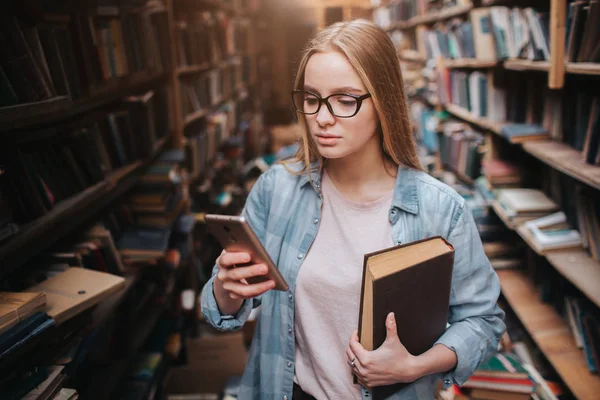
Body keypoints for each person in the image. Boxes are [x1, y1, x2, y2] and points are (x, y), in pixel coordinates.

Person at [201, 19, 505, 400]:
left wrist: (414, 365)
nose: (322, 118)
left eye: (345, 100)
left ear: (384, 101)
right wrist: (227, 290)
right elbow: (222, 310)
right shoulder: (276, 189)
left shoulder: (440, 210)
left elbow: (483, 321)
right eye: (312, 99)